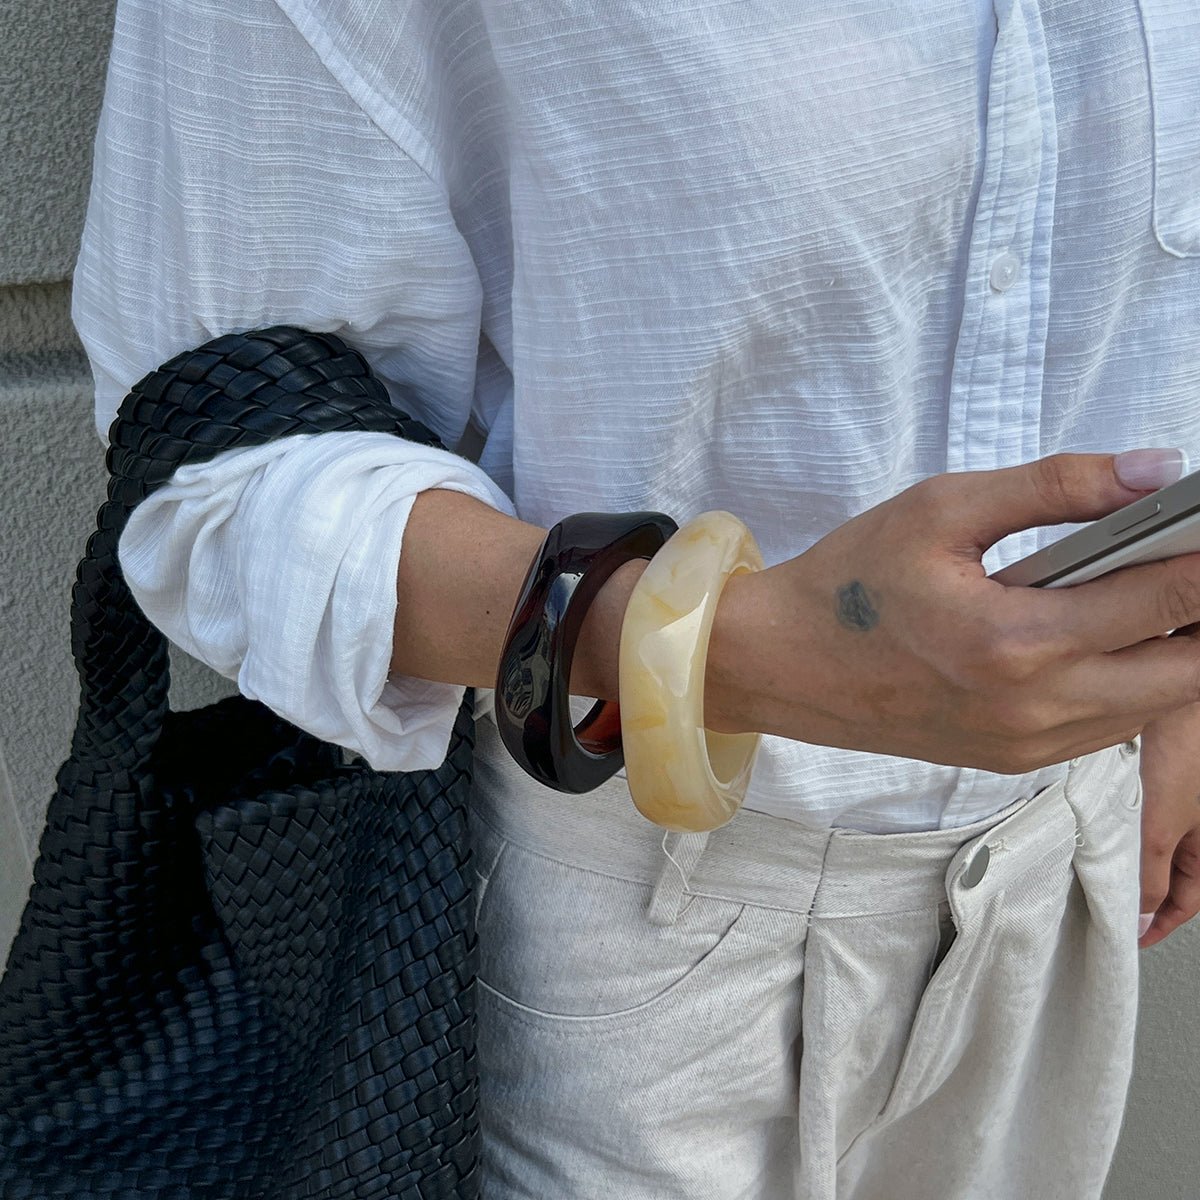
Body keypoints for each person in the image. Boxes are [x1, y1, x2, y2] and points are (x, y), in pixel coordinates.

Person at [72, 0, 1200, 1195]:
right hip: (620, 951)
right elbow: (212, 465)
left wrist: (1174, 659)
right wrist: (732, 653)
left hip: (1066, 875)